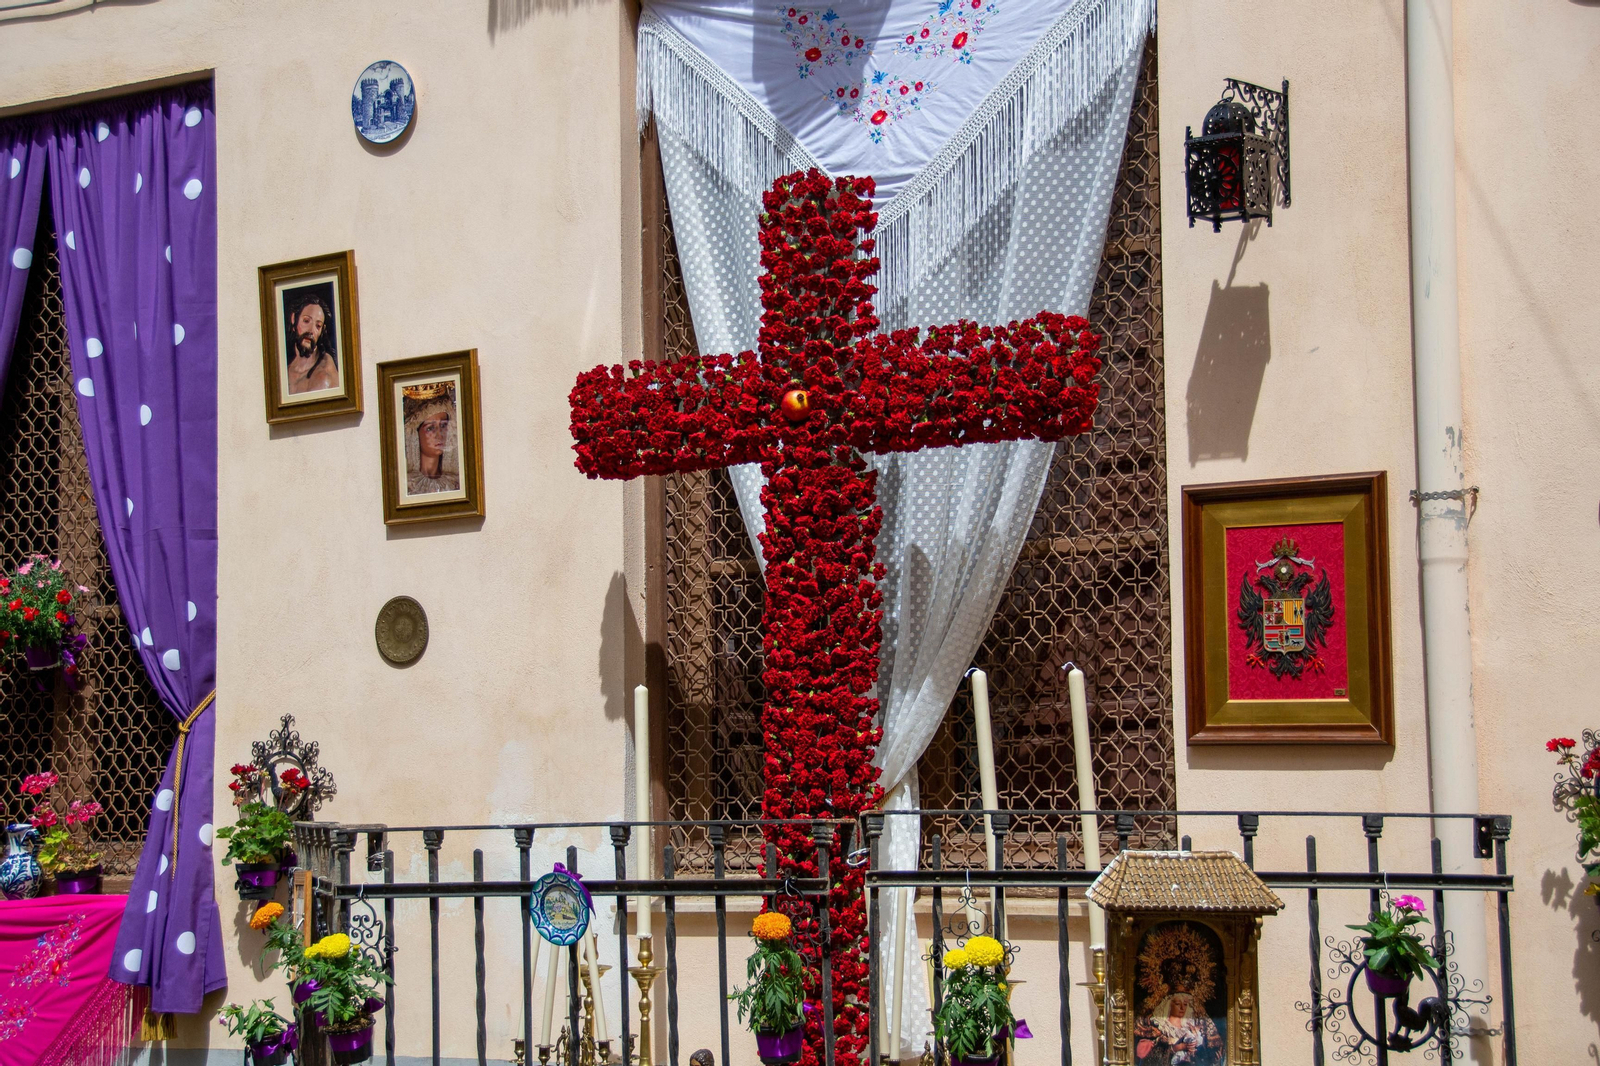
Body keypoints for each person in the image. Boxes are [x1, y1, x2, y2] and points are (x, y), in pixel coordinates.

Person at [1134, 956, 1224, 1066]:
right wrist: (1176, 1048)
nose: (1182, 1007)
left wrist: (1198, 1050)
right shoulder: (1154, 1026)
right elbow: (1147, 1061)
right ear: (1168, 1004)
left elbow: (1214, 1056)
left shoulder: (1199, 1026)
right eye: (1177, 1003)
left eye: (1185, 1004)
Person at [403, 387, 461, 495]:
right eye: (430, 428)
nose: (439, 435)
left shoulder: (455, 484)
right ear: (415, 434)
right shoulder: (407, 486)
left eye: (443, 425)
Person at [284, 292, 339, 395]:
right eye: (306, 321)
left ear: (322, 330)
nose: (311, 330)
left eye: (318, 326)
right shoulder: (285, 372)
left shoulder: (325, 373)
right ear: (293, 319)